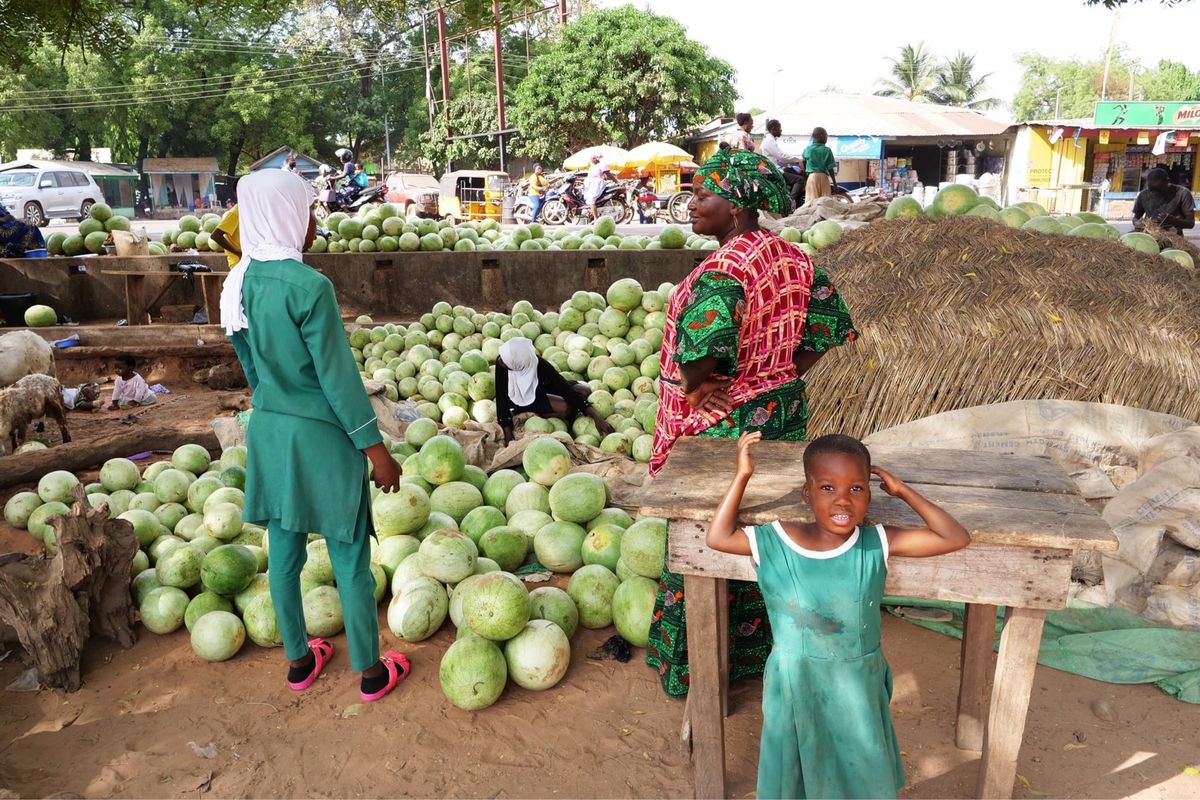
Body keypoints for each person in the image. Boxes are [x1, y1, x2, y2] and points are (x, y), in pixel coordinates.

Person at [645, 148, 859, 698]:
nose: (692, 204)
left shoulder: (722, 271)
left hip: (723, 435)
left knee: (704, 536)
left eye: (703, 195)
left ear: (738, 208)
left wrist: (698, 383)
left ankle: (696, 665)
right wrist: (778, 373)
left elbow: (701, 347)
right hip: (781, 418)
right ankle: (760, 655)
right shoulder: (794, 259)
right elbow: (830, 327)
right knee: (769, 531)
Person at [219, 168, 409, 702]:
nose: (311, 221)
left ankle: (299, 663)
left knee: (283, 554)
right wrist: (377, 450)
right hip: (324, 437)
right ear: (284, 214)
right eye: (306, 210)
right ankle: (371, 671)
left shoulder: (236, 285)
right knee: (349, 558)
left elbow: (253, 372)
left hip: (271, 434)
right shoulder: (310, 286)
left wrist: (277, 401)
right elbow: (338, 379)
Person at [707, 432, 971, 799]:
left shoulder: (875, 542)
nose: (843, 500)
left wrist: (904, 491)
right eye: (828, 487)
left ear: (869, 492)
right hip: (796, 682)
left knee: (861, 768)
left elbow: (954, 537)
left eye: (857, 489)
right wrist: (742, 475)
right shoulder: (775, 540)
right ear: (807, 492)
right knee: (796, 773)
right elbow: (718, 536)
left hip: (856, 684)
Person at [494, 337, 612, 444]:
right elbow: (501, 401)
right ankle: (539, 413)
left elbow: (563, 387)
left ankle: (566, 412)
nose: (501, 361)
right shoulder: (501, 363)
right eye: (503, 357)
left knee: (584, 390)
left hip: (540, 387)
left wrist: (597, 418)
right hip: (521, 398)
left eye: (505, 360)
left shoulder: (536, 363)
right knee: (567, 408)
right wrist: (509, 438)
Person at [1132, 167, 1195, 234]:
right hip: (1149, 235)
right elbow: (1136, 218)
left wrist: (1174, 221)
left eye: (1158, 190)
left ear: (1167, 181)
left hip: (1173, 237)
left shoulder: (1182, 193)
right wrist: (1139, 223)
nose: (1154, 193)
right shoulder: (1143, 195)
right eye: (1151, 190)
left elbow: (1190, 223)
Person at [760, 119, 805, 205]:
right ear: (773, 129)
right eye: (779, 128)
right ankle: (789, 203)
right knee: (800, 180)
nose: (781, 130)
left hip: (772, 169)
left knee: (789, 172)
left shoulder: (769, 140)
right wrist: (797, 160)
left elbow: (779, 157)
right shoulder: (769, 141)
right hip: (773, 171)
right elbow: (781, 156)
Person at [803, 127, 837, 200]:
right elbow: (830, 169)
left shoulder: (807, 149)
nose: (826, 138)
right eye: (826, 135)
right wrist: (834, 183)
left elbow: (804, 162)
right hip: (823, 178)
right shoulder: (827, 150)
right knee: (824, 202)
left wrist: (807, 175)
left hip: (811, 178)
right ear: (821, 135)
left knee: (811, 202)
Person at [583, 154, 616, 221]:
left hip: (597, 184)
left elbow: (608, 174)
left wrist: (616, 181)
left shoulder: (602, 165)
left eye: (592, 158)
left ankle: (595, 218)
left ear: (596, 159)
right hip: (590, 185)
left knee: (592, 199)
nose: (591, 160)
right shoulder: (592, 167)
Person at [212, 205, 242, 269]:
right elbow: (216, 235)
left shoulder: (249, 210)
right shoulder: (235, 212)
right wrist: (238, 252)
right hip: (238, 262)